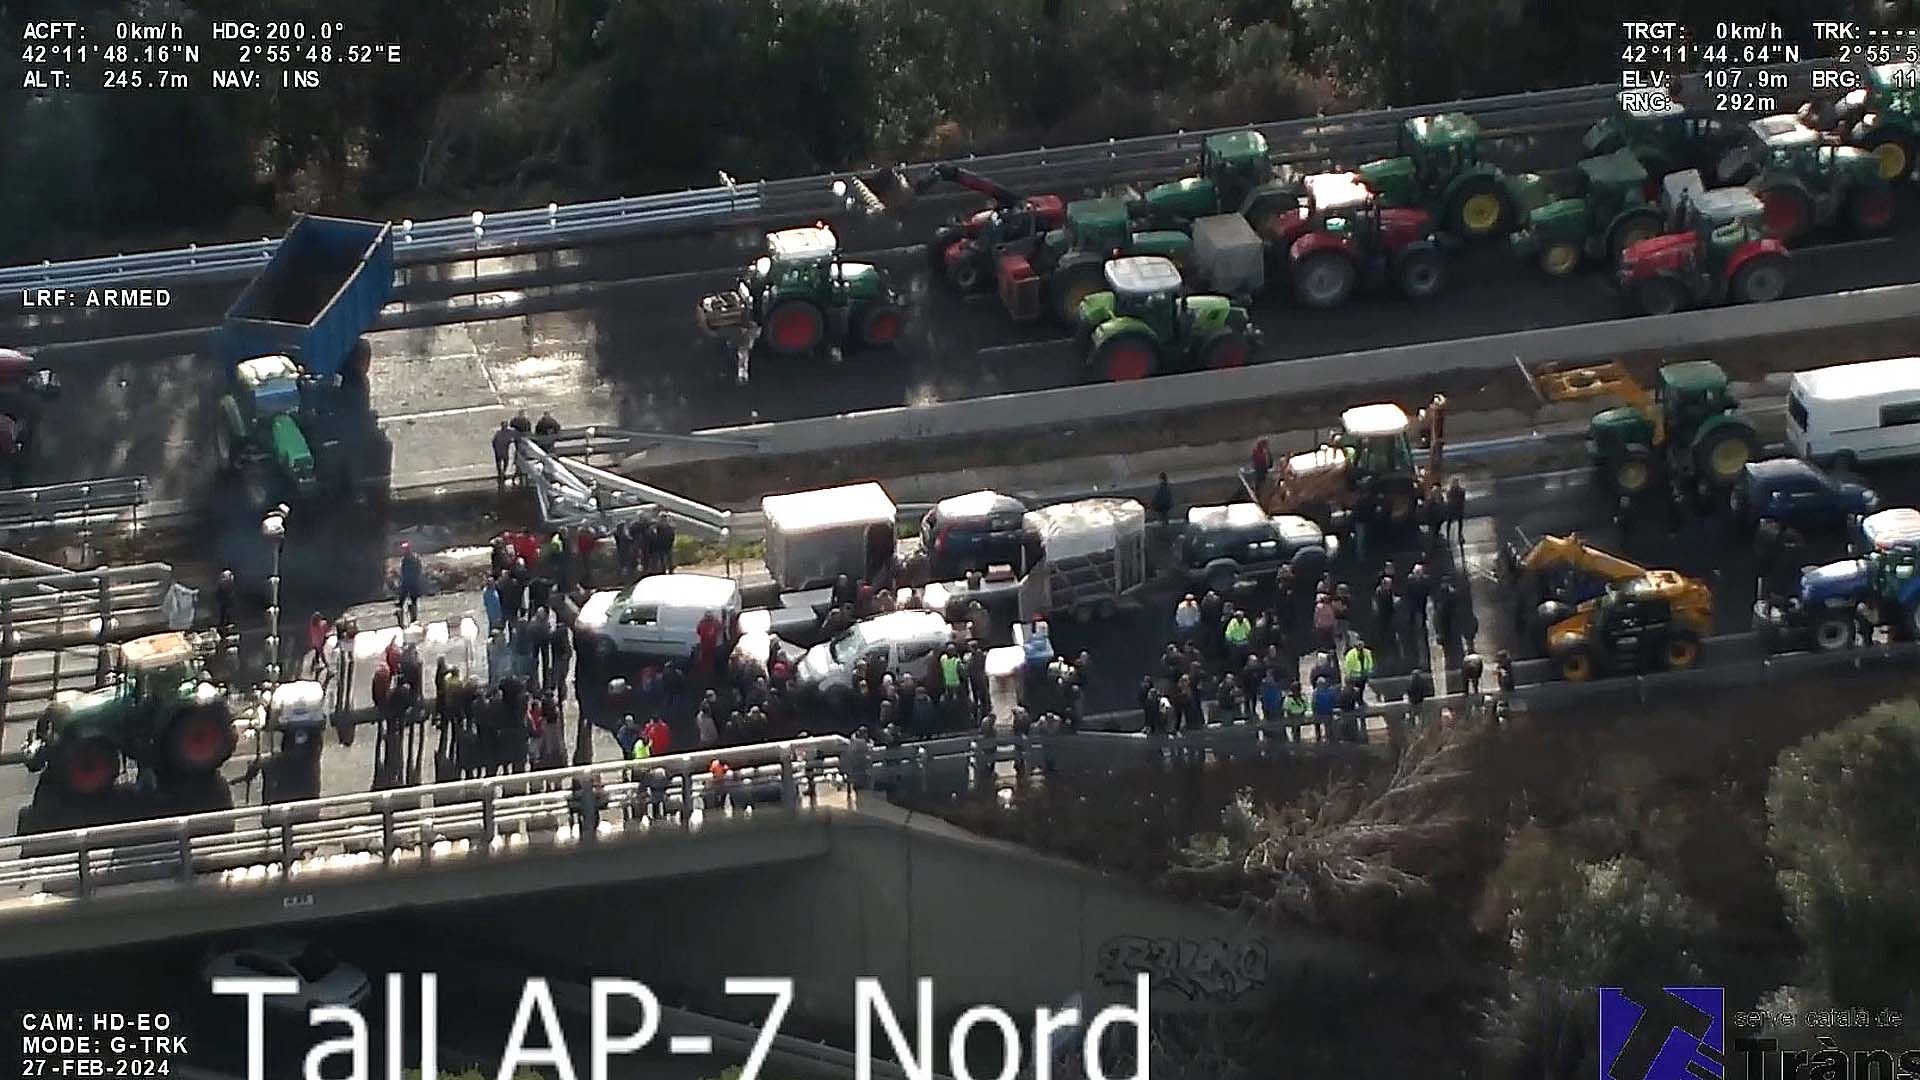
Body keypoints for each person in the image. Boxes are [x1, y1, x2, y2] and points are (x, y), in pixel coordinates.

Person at [397, 542, 424, 625]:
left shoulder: (414, 558)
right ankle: (401, 618)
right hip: (406, 581)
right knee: (401, 601)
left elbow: (419, 569)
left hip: (413, 581)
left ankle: (413, 618)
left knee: (413, 600)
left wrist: (415, 578)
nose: (403, 551)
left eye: (404, 549)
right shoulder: (404, 559)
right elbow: (403, 571)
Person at [1309, 676, 1337, 744]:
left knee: (1317, 723)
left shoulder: (1315, 692)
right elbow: (1333, 702)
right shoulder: (1330, 691)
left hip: (1319, 714)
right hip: (1328, 714)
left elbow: (1313, 705)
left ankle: (1318, 738)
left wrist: (1314, 712)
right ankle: (1329, 738)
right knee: (1328, 724)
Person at [492, 421, 516, 485]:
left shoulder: (498, 433)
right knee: (505, 462)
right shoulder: (508, 433)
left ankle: (500, 473)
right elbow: (511, 440)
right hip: (504, 451)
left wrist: (495, 448)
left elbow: (493, 441)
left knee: (499, 462)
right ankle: (502, 472)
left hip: (498, 451)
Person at [215, 569, 238, 635]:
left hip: (227, 599)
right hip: (225, 599)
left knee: (226, 612)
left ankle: (226, 624)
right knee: (224, 612)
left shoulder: (224, 579)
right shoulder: (225, 579)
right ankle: (224, 625)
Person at [1446, 477, 1467, 545]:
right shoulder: (1451, 491)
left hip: (1457, 508)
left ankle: (1459, 535)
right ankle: (1449, 536)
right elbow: (1449, 499)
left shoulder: (1460, 490)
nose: (1455, 484)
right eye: (1454, 483)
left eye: (1456, 482)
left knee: (1459, 522)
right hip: (1453, 508)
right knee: (1450, 521)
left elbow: (1462, 499)